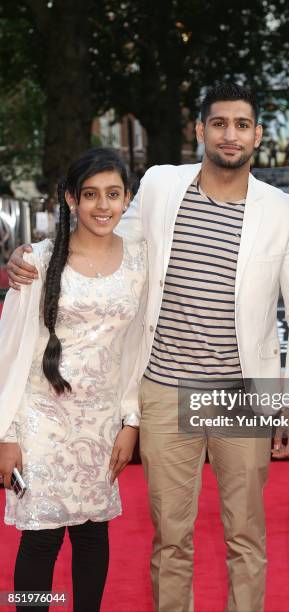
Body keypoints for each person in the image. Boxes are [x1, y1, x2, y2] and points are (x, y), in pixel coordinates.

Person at [7, 83, 289, 612]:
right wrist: (28, 257)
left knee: (245, 537)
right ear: (199, 131)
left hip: (238, 395)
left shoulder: (284, 212)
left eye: (242, 124)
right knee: (169, 539)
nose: (230, 134)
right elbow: (102, 230)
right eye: (219, 123)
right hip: (162, 392)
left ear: (258, 135)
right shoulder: (162, 185)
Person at [0, 148, 147, 612]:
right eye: (90, 195)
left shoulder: (142, 262)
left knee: (91, 534)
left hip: (102, 420)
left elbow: (134, 351)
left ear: (127, 200)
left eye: (113, 194)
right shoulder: (38, 263)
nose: (102, 206)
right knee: (40, 540)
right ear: (70, 199)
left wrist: (131, 421)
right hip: (40, 416)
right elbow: (11, 352)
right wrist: (8, 434)